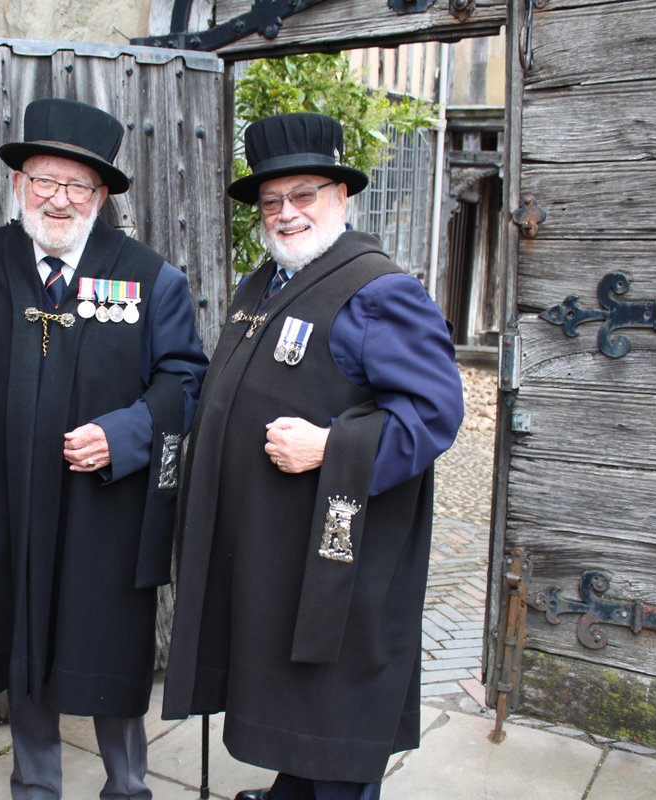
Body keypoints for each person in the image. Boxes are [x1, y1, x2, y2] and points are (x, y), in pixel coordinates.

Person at [162, 112, 464, 800]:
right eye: (272, 201)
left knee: (335, 713)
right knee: (296, 701)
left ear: (341, 197)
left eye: (304, 195)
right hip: (276, 551)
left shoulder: (379, 291)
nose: (286, 213)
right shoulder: (261, 284)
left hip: (339, 557)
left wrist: (332, 447)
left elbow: (434, 413)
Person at [0, 97, 208, 800]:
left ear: (101, 196)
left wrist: (125, 433)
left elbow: (185, 378)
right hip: (9, 499)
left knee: (111, 654)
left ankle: (127, 785)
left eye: (78, 186)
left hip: (103, 511)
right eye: (44, 181)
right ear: (19, 185)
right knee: (22, 643)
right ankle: (34, 787)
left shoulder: (149, 275)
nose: (59, 199)